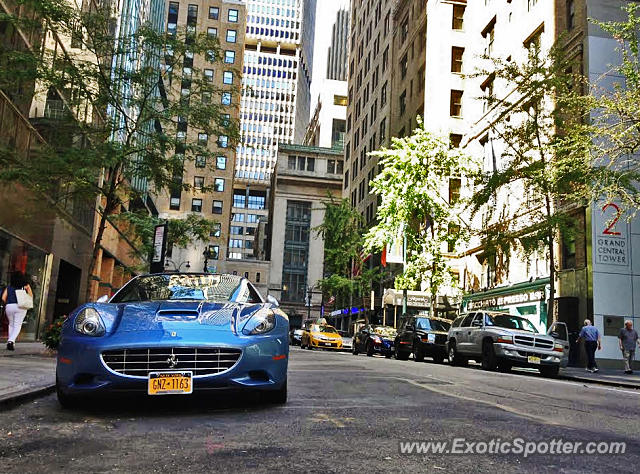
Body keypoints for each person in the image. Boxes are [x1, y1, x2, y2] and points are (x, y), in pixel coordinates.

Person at [1, 272, 33, 351]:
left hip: (9, 307)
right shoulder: (26, 286)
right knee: (17, 325)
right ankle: (11, 341)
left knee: (11, 325)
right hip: (21, 306)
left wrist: (9, 303)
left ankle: (12, 343)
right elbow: (31, 296)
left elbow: (3, 298)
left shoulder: (9, 287)